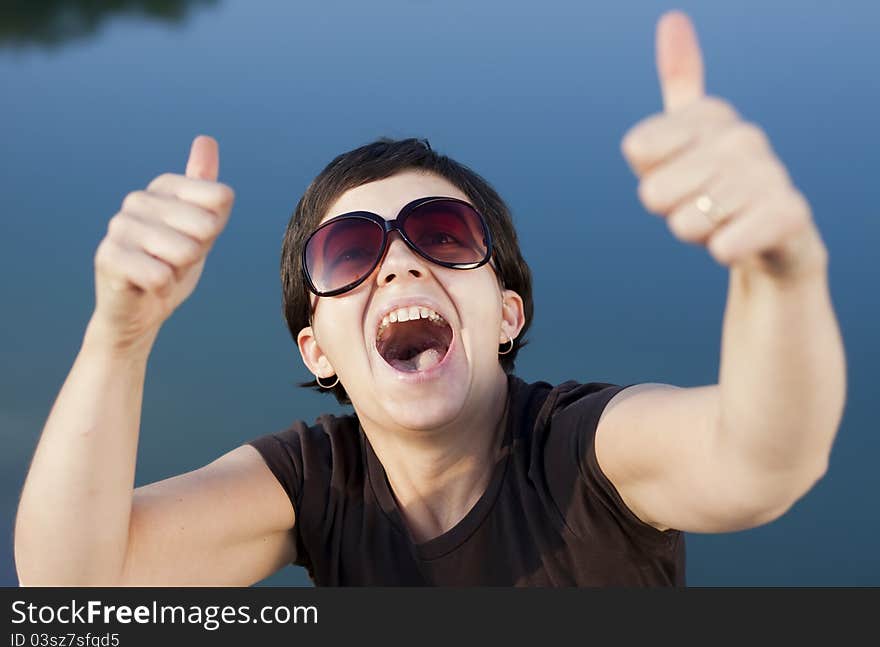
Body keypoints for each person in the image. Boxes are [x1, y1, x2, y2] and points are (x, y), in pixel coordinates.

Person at [13, 11, 845, 586]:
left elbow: (762, 458)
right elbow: (72, 586)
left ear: (507, 313)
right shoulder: (313, 484)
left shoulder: (585, 450)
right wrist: (119, 334)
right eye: (349, 251)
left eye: (443, 234)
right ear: (318, 350)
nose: (401, 261)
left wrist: (781, 272)